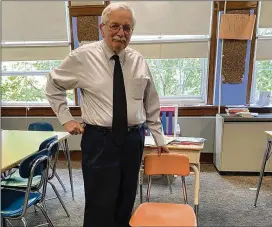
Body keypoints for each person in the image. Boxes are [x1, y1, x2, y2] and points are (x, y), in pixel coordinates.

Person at [45, 2, 169, 227]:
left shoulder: (138, 60)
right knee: (100, 202)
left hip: (133, 140)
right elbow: (53, 84)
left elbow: (151, 102)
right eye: (115, 26)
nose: (121, 33)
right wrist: (66, 119)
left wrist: (159, 137)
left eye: (127, 28)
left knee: (126, 198)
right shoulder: (82, 57)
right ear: (102, 27)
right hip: (99, 141)